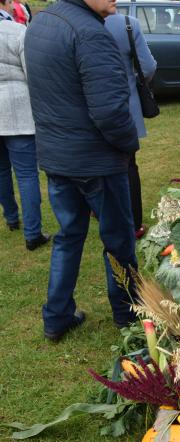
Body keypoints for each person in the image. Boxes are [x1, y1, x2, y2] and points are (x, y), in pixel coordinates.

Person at [25, 0, 140, 342]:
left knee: (69, 235)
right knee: (118, 240)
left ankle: (57, 315)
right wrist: (128, 145)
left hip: (59, 157)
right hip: (94, 161)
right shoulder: (90, 33)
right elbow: (110, 112)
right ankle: (128, 313)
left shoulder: (42, 21)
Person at [0, 0, 50, 250]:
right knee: (27, 174)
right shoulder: (17, 31)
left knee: (1, 171)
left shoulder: (18, 29)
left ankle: (11, 217)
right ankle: (32, 232)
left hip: (11, 109)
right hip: (17, 110)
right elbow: (32, 73)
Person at [105, 12, 157, 239]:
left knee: (97, 163)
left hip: (89, 105)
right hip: (125, 102)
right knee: (128, 165)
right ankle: (134, 223)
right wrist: (133, 81)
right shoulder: (127, 24)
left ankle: (101, 212)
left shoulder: (78, 23)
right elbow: (148, 66)